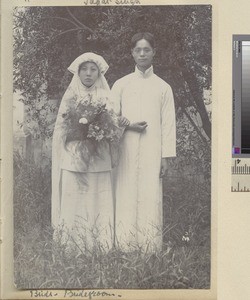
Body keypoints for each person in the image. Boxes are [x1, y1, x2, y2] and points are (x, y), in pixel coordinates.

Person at [111, 32, 176, 252]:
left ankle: (150, 247)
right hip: (126, 148)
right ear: (131, 53)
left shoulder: (163, 87)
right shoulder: (121, 84)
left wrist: (166, 157)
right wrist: (127, 126)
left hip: (152, 149)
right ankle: (124, 245)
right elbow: (110, 117)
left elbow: (168, 124)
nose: (142, 54)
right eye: (138, 50)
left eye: (146, 49)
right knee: (126, 191)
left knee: (150, 194)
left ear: (154, 52)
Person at [51, 53, 117, 251]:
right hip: (74, 154)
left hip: (99, 154)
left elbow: (112, 124)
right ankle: (72, 244)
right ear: (78, 72)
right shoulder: (70, 96)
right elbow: (61, 128)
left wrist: (100, 130)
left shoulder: (106, 96)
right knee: (75, 194)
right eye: (84, 69)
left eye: (93, 69)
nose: (88, 74)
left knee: (98, 194)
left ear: (99, 72)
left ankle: (100, 243)